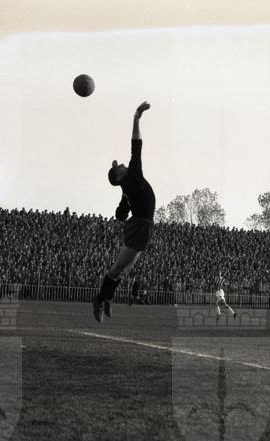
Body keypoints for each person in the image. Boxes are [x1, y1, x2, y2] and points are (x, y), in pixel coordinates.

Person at [92, 101, 154, 322]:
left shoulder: (125, 190)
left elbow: (120, 215)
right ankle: (100, 299)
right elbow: (136, 144)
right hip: (139, 226)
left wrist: (122, 209)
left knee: (126, 267)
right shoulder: (131, 175)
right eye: (119, 167)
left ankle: (108, 297)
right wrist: (136, 118)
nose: (123, 165)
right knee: (119, 266)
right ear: (118, 176)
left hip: (144, 225)